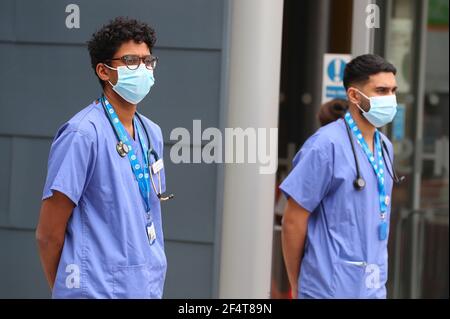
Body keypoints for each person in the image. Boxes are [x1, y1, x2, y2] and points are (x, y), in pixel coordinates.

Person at [36, 17, 171, 298]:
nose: (142, 69)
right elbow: (48, 234)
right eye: (131, 61)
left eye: (147, 61)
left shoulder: (152, 134)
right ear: (104, 71)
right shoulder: (82, 134)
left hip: (146, 287)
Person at [280, 54, 400, 299]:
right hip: (327, 289)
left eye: (392, 90)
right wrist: (298, 283)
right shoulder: (325, 145)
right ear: (355, 96)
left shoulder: (385, 146)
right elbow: (293, 220)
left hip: (373, 288)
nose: (390, 98)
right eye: (381, 90)